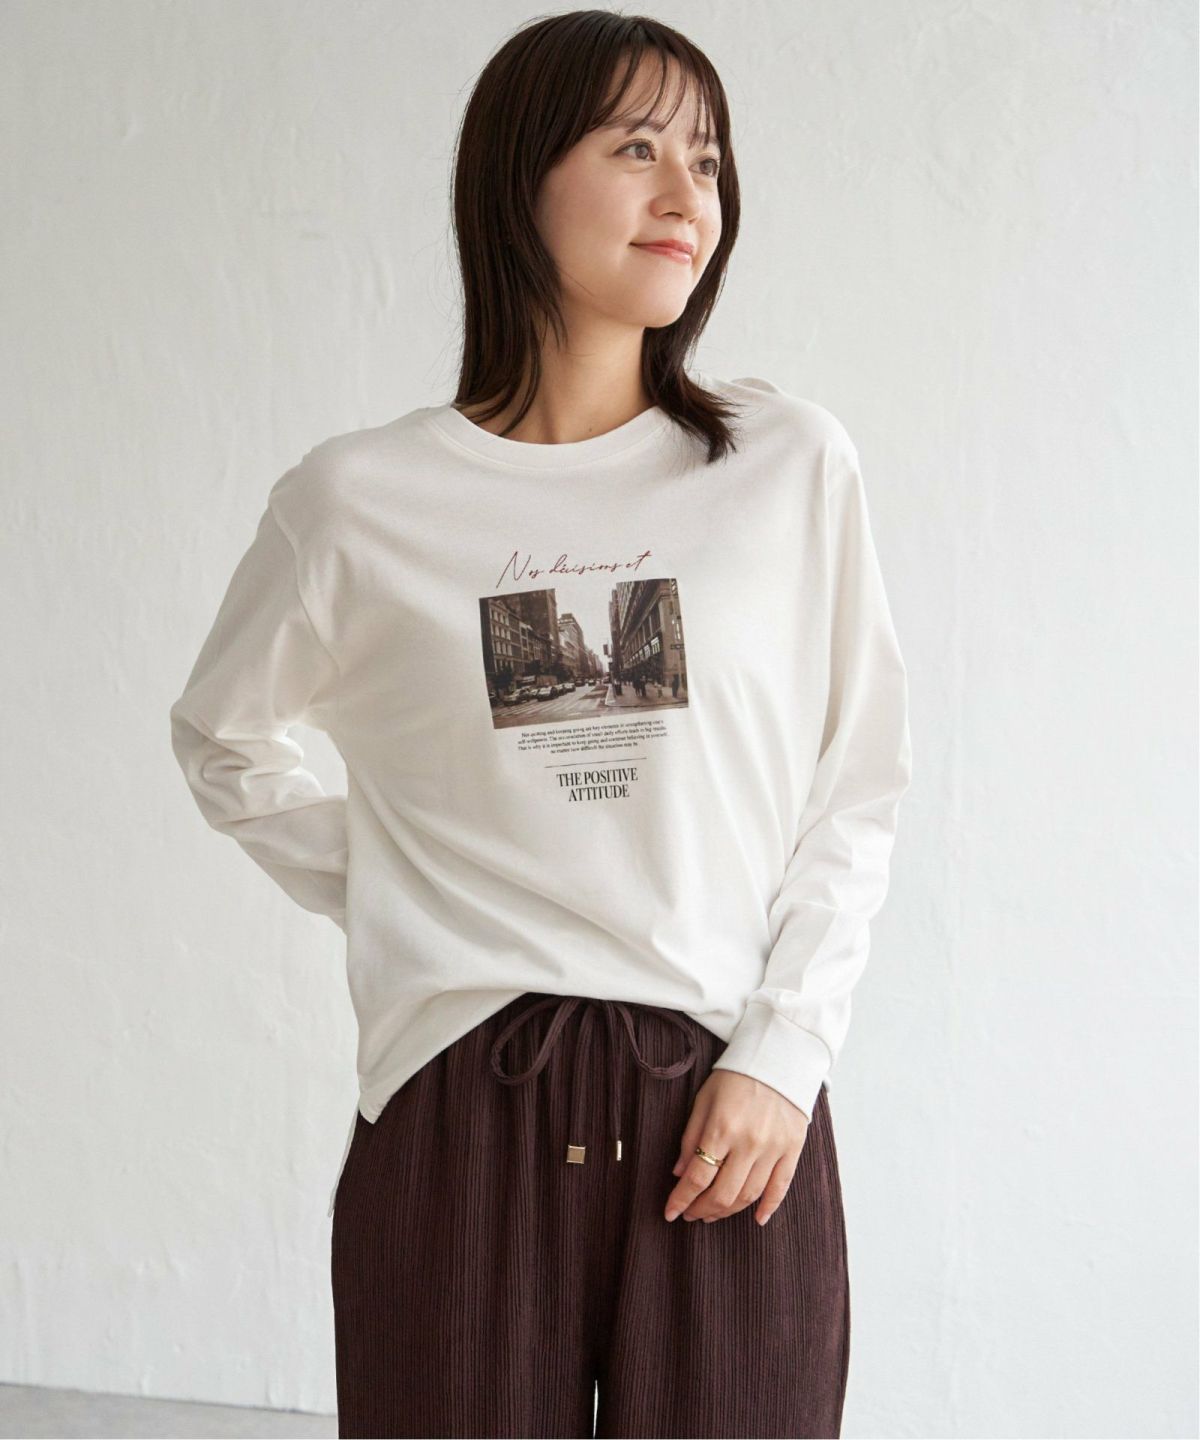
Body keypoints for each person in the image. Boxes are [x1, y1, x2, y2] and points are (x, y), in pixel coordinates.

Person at [168, 11, 912, 1439]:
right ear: (519, 177)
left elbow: (856, 784)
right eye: (636, 149)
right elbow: (223, 740)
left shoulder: (784, 466)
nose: (687, 194)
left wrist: (785, 1053)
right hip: (460, 1106)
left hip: (727, 1103)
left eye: (708, 159)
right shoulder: (359, 503)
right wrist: (405, 880)